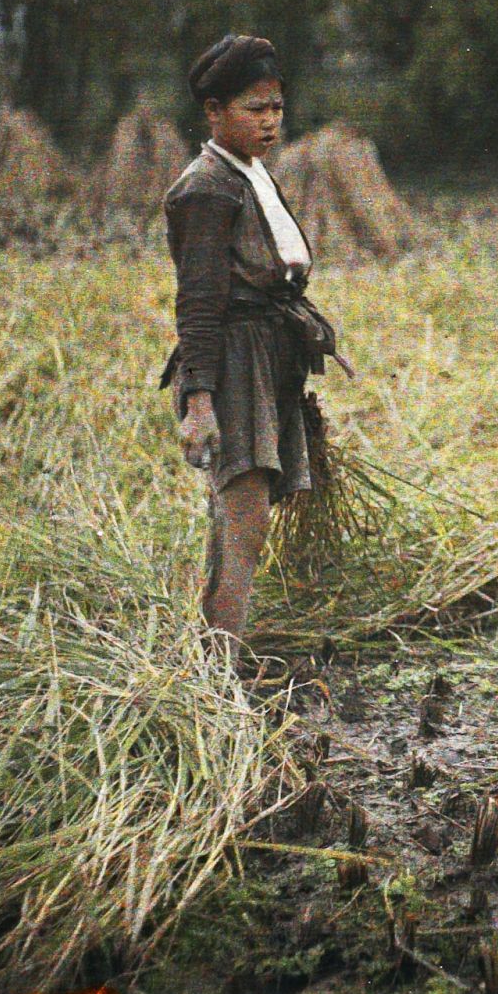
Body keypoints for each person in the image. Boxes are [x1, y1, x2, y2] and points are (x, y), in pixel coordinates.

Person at [159, 34, 344, 639]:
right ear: (214, 112)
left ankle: (217, 648)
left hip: (267, 353)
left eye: (277, 108)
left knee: (246, 517)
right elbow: (200, 305)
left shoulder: (250, 174)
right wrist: (199, 400)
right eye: (254, 109)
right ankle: (218, 671)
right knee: (243, 518)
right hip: (233, 357)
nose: (270, 123)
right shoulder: (206, 187)